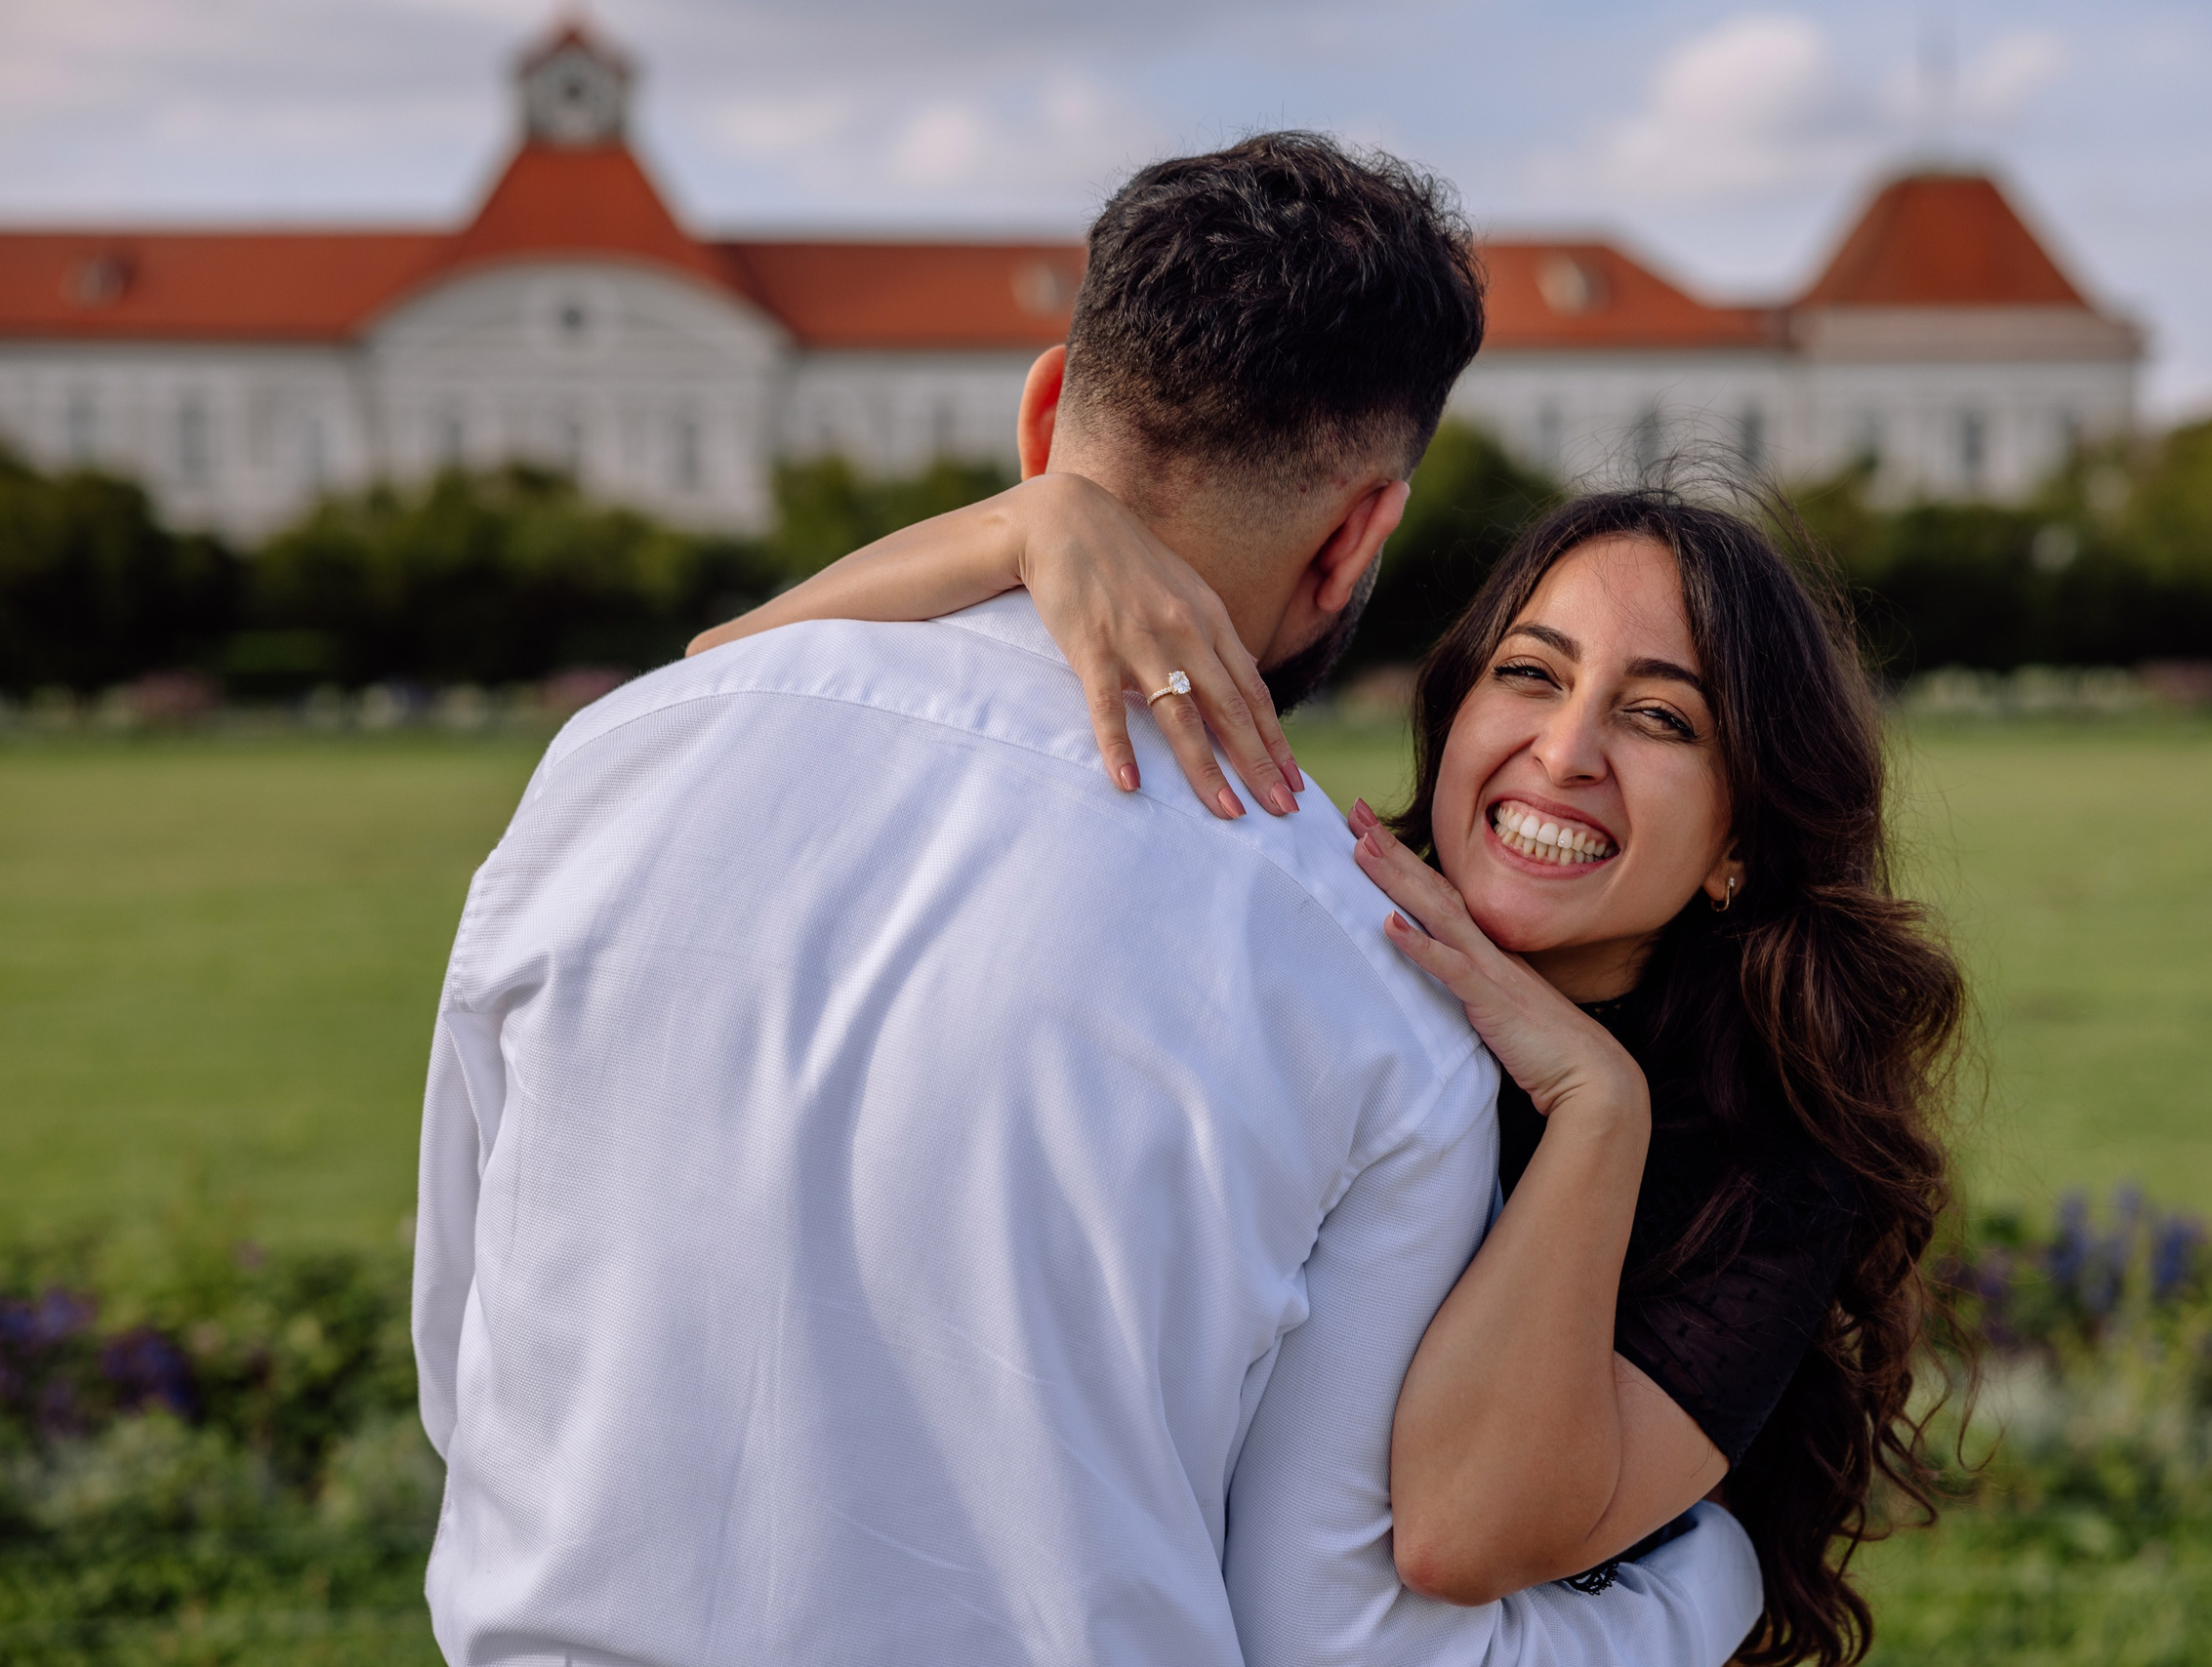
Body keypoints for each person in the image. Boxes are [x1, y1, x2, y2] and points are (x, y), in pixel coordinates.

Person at [413, 132, 1763, 1667]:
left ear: (1049, 410)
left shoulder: (611, 769)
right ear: (1358, 537)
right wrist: (1714, 1580)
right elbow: (1339, 1637)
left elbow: (469, 1379)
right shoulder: (1369, 977)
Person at [700, 473, 1973, 1661]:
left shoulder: (1762, 1169)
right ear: (1457, 708)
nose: (1567, 750)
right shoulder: (1296, 934)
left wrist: (1596, 1113)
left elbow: (1459, 1533)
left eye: (1657, 717)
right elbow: (721, 680)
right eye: (1532, 674)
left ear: (1735, 844)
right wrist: (1023, 528)